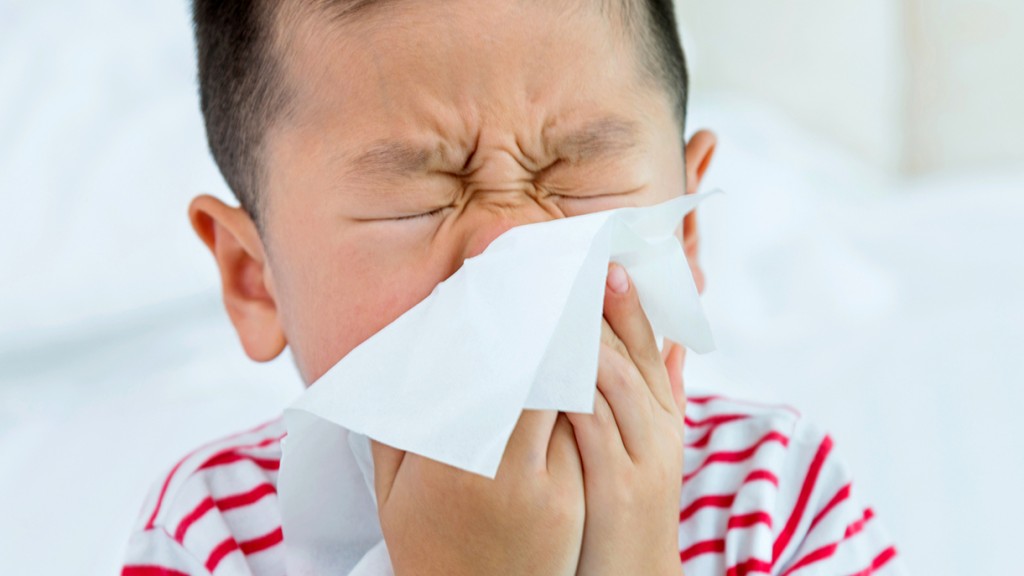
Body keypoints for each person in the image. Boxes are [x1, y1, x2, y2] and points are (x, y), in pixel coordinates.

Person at [122, 0, 902, 574]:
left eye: (576, 174)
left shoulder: (777, 496)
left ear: (685, 233)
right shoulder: (212, 529)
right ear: (255, 280)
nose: (512, 247)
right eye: (418, 198)